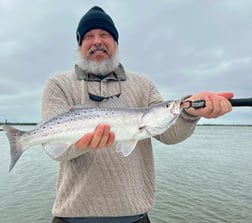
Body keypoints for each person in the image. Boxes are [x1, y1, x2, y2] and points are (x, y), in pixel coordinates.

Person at [41, 6, 233, 223]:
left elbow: (168, 134)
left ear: (116, 43)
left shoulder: (143, 84)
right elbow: (55, 150)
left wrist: (188, 112)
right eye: (88, 36)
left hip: (135, 216)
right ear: (80, 45)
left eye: (105, 35)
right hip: (71, 216)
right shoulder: (58, 84)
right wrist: (81, 144)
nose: (97, 41)